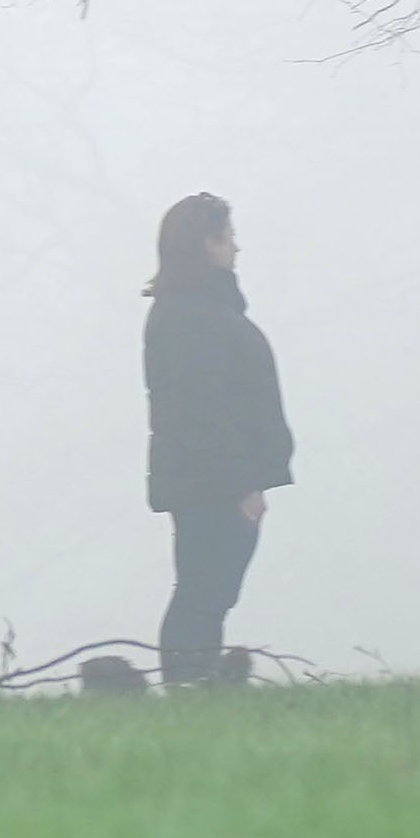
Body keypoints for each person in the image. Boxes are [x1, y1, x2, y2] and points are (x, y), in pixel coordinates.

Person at [138, 192, 293, 686]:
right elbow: (205, 413)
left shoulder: (197, 311)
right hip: (210, 484)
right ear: (203, 245)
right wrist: (242, 485)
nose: (236, 248)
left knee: (209, 592)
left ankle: (195, 683)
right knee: (204, 593)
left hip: (209, 480)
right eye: (225, 237)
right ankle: (188, 685)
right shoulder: (190, 317)